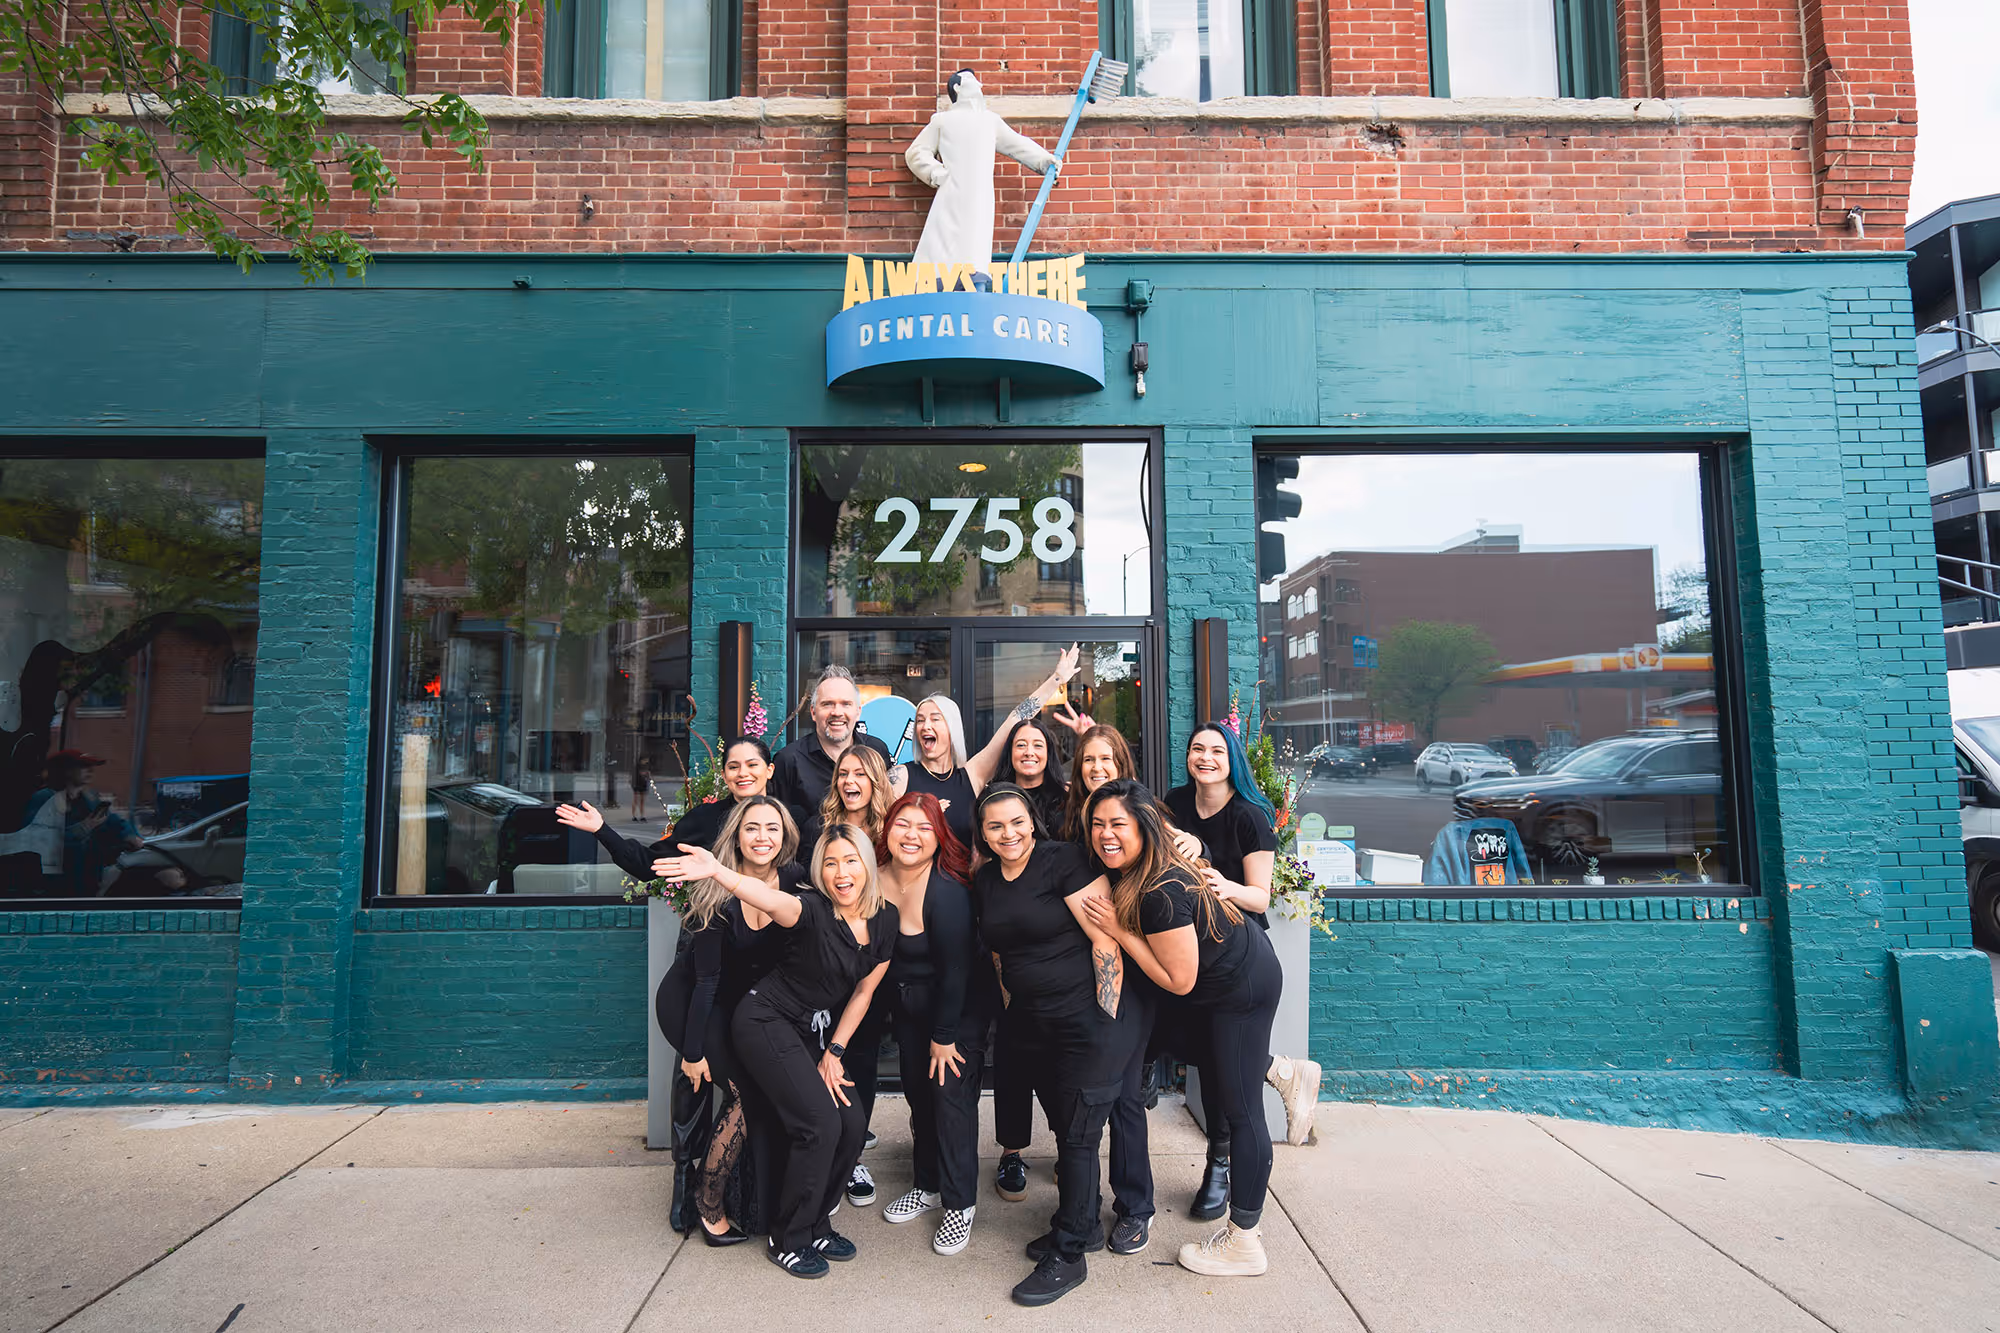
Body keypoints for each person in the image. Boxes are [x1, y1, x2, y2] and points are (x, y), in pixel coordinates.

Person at [1077, 780, 1300, 1278]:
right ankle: (1276, 1069)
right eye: (1097, 824)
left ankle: (1244, 1241)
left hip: (1240, 989)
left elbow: (1178, 980)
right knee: (1170, 1045)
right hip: (1223, 978)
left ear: (1144, 826)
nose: (1104, 834)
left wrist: (1119, 931)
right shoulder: (1148, 863)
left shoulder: (1158, 891)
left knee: (1241, 1110)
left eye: (1117, 824)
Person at [658, 824, 897, 1280]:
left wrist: (836, 1051)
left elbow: (864, 993)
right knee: (818, 1123)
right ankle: (787, 1237)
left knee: (850, 1123)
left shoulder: (885, 921)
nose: (841, 872)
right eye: (830, 863)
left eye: (850, 861)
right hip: (763, 1021)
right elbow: (767, 898)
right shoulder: (809, 909)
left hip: (810, 1032)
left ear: (866, 864)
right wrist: (718, 872)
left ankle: (817, 1222)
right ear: (819, 872)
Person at [970, 783, 1140, 1307]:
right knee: (1065, 1127)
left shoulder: (1061, 861)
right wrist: (1013, 1009)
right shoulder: (987, 881)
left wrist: (1105, 1022)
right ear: (984, 833)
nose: (1009, 834)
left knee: (1080, 1135)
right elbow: (999, 955)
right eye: (995, 826)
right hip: (1030, 1021)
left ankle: (1069, 1255)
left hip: (1086, 1018)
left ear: (1031, 821)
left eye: (1017, 822)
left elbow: (1105, 937)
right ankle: (1083, 1224)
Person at [1164, 722, 1323, 1200]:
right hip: (1189, 947)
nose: (1205, 757)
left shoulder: (1250, 816)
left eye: (1216, 750)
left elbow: (1259, 897)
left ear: (1232, 758)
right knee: (1193, 1047)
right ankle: (1279, 1070)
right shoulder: (1174, 803)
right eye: (1197, 749)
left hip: (1239, 952)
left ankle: (1219, 1162)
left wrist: (1216, 877)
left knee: (1219, 1066)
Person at [652, 796, 801, 1246]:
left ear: (786, 835)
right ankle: (707, 1202)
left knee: (755, 1091)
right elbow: (706, 982)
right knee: (742, 1094)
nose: (763, 838)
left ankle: (742, 1197)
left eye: (772, 828)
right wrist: (693, 1054)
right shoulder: (713, 890)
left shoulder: (796, 881)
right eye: (752, 828)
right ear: (736, 835)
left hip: (739, 1005)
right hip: (693, 1000)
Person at [870, 792, 991, 1257]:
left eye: (925, 828)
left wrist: (944, 1038)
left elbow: (957, 972)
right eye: (904, 824)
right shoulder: (874, 879)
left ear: (939, 837)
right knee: (919, 1098)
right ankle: (929, 1184)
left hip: (956, 1010)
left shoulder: (947, 890)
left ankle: (960, 1204)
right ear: (888, 830)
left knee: (950, 1101)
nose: (912, 836)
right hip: (908, 1008)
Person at [891, 643, 1079, 858]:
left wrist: (1056, 679)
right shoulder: (901, 776)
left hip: (963, 888)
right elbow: (878, 830)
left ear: (952, 729)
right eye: (920, 720)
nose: (925, 726)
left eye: (935, 719)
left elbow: (1015, 719)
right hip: (914, 885)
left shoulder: (972, 775)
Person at [904, 68, 1059, 283]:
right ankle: (934, 279)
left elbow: (1017, 143)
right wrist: (936, 172)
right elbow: (916, 152)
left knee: (976, 234)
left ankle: (973, 278)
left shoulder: (989, 121)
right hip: (953, 188)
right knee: (944, 233)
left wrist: (1044, 160)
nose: (980, 85)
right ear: (957, 87)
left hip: (980, 192)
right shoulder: (942, 121)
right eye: (972, 80)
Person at [554, 737, 773, 875]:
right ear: (724, 776)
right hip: (719, 931)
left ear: (769, 770)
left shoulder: (790, 817)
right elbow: (649, 864)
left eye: (752, 765)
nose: (743, 773)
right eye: (733, 767)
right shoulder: (704, 819)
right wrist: (601, 829)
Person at [770, 666, 892, 834]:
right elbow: (777, 828)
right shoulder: (788, 760)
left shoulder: (877, 751)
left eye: (846, 704)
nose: (837, 712)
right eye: (827, 704)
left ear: (857, 712)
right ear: (813, 712)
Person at [803, 745, 891, 855]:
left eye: (859, 774)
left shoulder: (891, 830)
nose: (848, 780)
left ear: (876, 781)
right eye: (843, 774)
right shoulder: (818, 828)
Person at [993, 716, 1068, 836]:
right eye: (1021, 745)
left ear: (1048, 753)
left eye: (1038, 745)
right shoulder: (995, 798)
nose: (1029, 753)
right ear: (1010, 752)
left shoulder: (1066, 799)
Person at [631, 752, 655, 822]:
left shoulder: (646, 766)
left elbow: (648, 774)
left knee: (642, 800)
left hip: (643, 784)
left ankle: (642, 815)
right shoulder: (637, 766)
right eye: (646, 760)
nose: (647, 761)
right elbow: (634, 776)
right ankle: (634, 815)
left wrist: (648, 776)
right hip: (637, 783)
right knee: (636, 800)